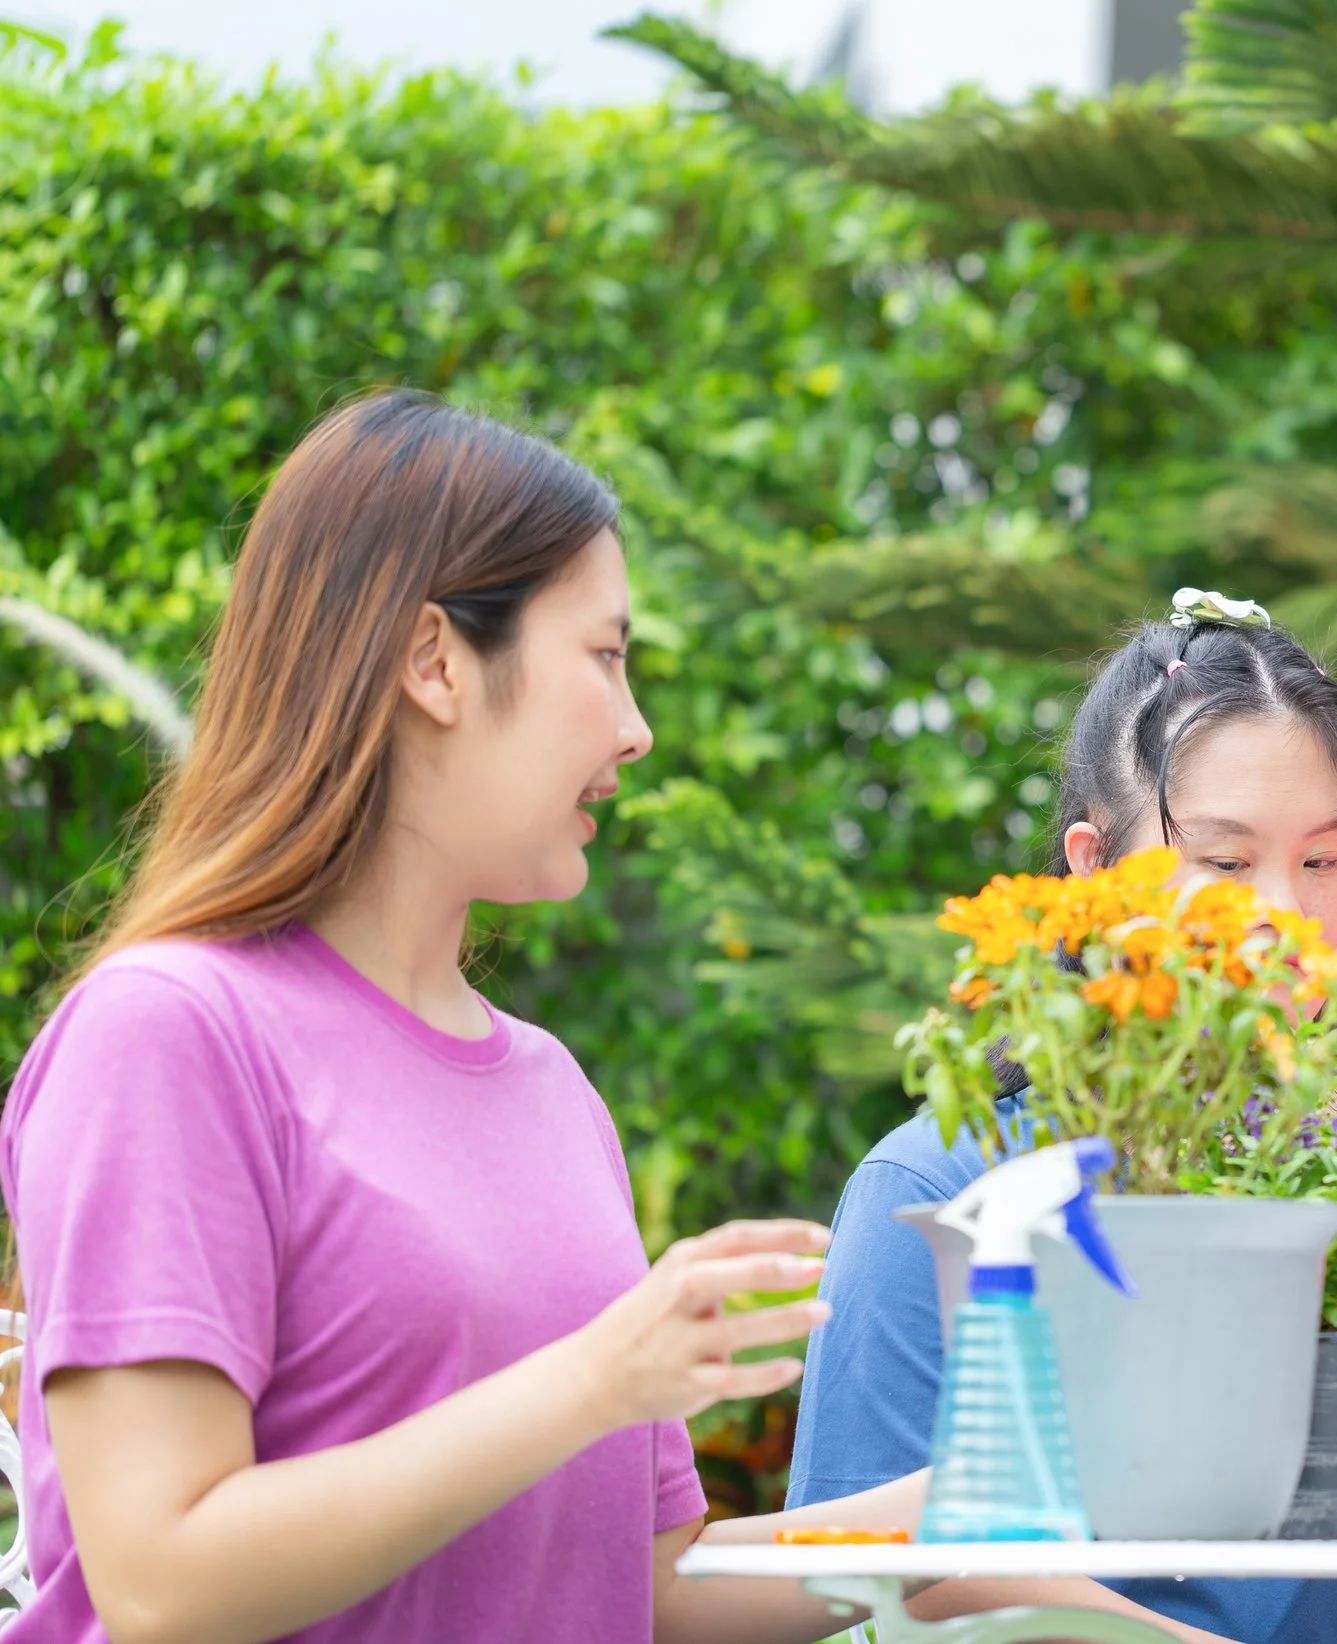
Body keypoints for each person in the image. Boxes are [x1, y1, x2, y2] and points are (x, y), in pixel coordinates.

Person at [1, 391, 929, 1644]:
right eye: (603, 656)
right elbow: (164, 1581)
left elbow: (651, 1588)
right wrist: (596, 1381)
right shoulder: (168, 1034)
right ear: (433, 660)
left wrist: (986, 1504)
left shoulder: (549, 1088)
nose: (636, 727)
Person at [788, 594, 1337, 1644]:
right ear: (1095, 870)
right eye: (1226, 864)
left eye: (1321, 859)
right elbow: (853, 1581)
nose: (1283, 914)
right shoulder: (939, 1191)